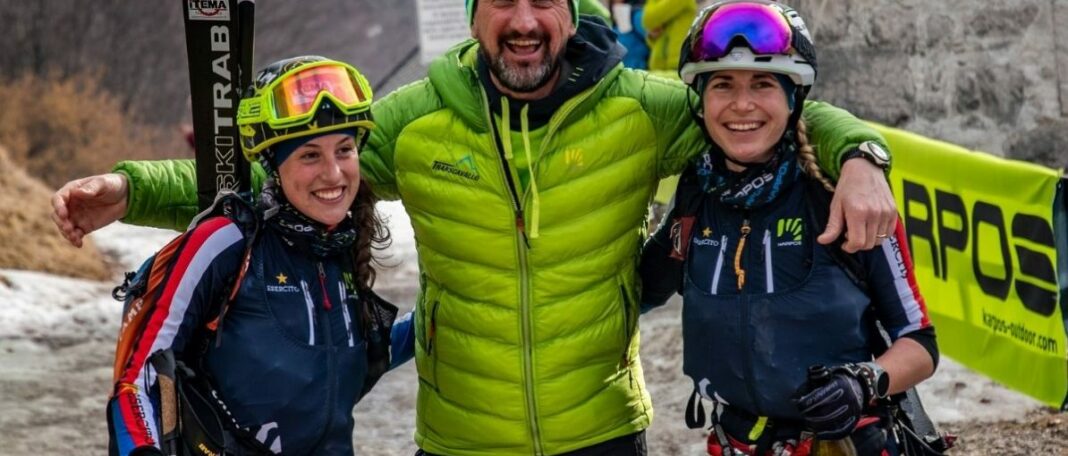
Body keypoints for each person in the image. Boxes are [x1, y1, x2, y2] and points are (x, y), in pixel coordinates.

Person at [55, 1, 899, 454]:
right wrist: (131, 188)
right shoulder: (420, 120)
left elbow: (763, 110)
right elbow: (290, 170)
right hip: (460, 438)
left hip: (600, 432)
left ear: (572, 10)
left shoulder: (643, 111)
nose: (523, 18)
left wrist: (862, 155)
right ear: (473, 15)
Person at [639, 2, 938, 455]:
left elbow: (919, 342)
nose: (742, 104)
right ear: (700, 100)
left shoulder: (844, 196)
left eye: (763, 84)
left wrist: (863, 383)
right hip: (737, 441)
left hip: (842, 444)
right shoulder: (696, 193)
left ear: (793, 98)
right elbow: (640, 289)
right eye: (722, 84)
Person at [106, 56, 405, 456]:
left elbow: (346, 361)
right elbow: (135, 382)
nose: (334, 173)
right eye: (310, 155)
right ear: (273, 164)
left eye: (345, 149)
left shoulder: (339, 250)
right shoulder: (225, 242)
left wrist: (438, 317)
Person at [643, 0, 697, 72]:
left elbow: (649, 19)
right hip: (658, 65)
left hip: (677, 64)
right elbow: (647, 21)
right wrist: (651, 36)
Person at [610, 0, 650, 70]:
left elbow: (651, 35)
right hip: (621, 67)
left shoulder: (637, 13)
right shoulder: (612, 16)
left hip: (639, 67)